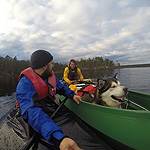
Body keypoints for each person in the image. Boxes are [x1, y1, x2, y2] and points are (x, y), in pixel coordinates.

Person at [16, 50, 112, 150]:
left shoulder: (50, 75)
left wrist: (72, 95)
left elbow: (61, 88)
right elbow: (32, 113)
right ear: (44, 66)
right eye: (51, 64)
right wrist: (59, 139)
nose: (53, 66)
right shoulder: (24, 84)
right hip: (34, 109)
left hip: (48, 104)